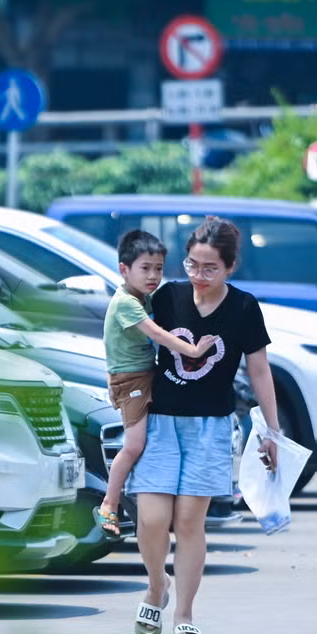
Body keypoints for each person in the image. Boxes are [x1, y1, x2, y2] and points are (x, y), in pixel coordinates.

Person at [128, 217, 278, 634]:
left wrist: (271, 430)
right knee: (152, 519)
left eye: (210, 268)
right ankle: (157, 586)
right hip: (160, 422)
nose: (199, 275)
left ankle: (184, 615)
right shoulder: (167, 297)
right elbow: (131, 336)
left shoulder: (244, 307)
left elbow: (259, 370)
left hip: (210, 427)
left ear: (230, 267)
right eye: (192, 264)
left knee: (190, 523)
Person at [94, 230, 219, 538]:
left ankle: (154, 505)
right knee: (134, 445)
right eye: (145, 268)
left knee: (154, 443)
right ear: (124, 269)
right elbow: (157, 333)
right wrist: (193, 351)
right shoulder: (126, 303)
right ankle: (109, 503)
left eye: (159, 268)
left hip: (145, 374)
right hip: (133, 381)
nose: (153, 276)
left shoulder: (142, 297)